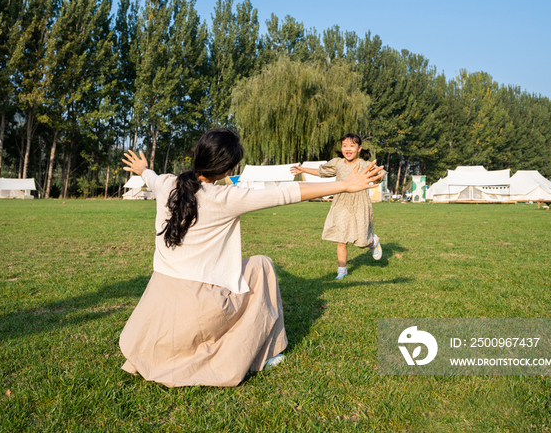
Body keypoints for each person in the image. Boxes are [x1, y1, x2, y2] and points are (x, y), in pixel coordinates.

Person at [119, 128, 384, 387]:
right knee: (262, 266)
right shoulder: (225, 197)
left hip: (159, 303)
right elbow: (285, 194)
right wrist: (345, 185)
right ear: (227, 170)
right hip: (199, 308)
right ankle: (268, 353)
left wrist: (143, 169)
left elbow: (151, 177)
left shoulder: (167, 184)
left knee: (253, 268)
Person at [291, 133, 382, 280]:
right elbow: (322, 172)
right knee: (341, 238)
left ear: (359, 148)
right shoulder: (338, 163)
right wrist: (303, 169)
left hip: (360, 203)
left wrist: (377, 173)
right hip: (341, 202)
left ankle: (372, 241)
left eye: (352, 146)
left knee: (361, 243)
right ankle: (342, 270)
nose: (348, 149)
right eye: (345, 145)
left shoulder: (364, 164)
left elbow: (380, 173)